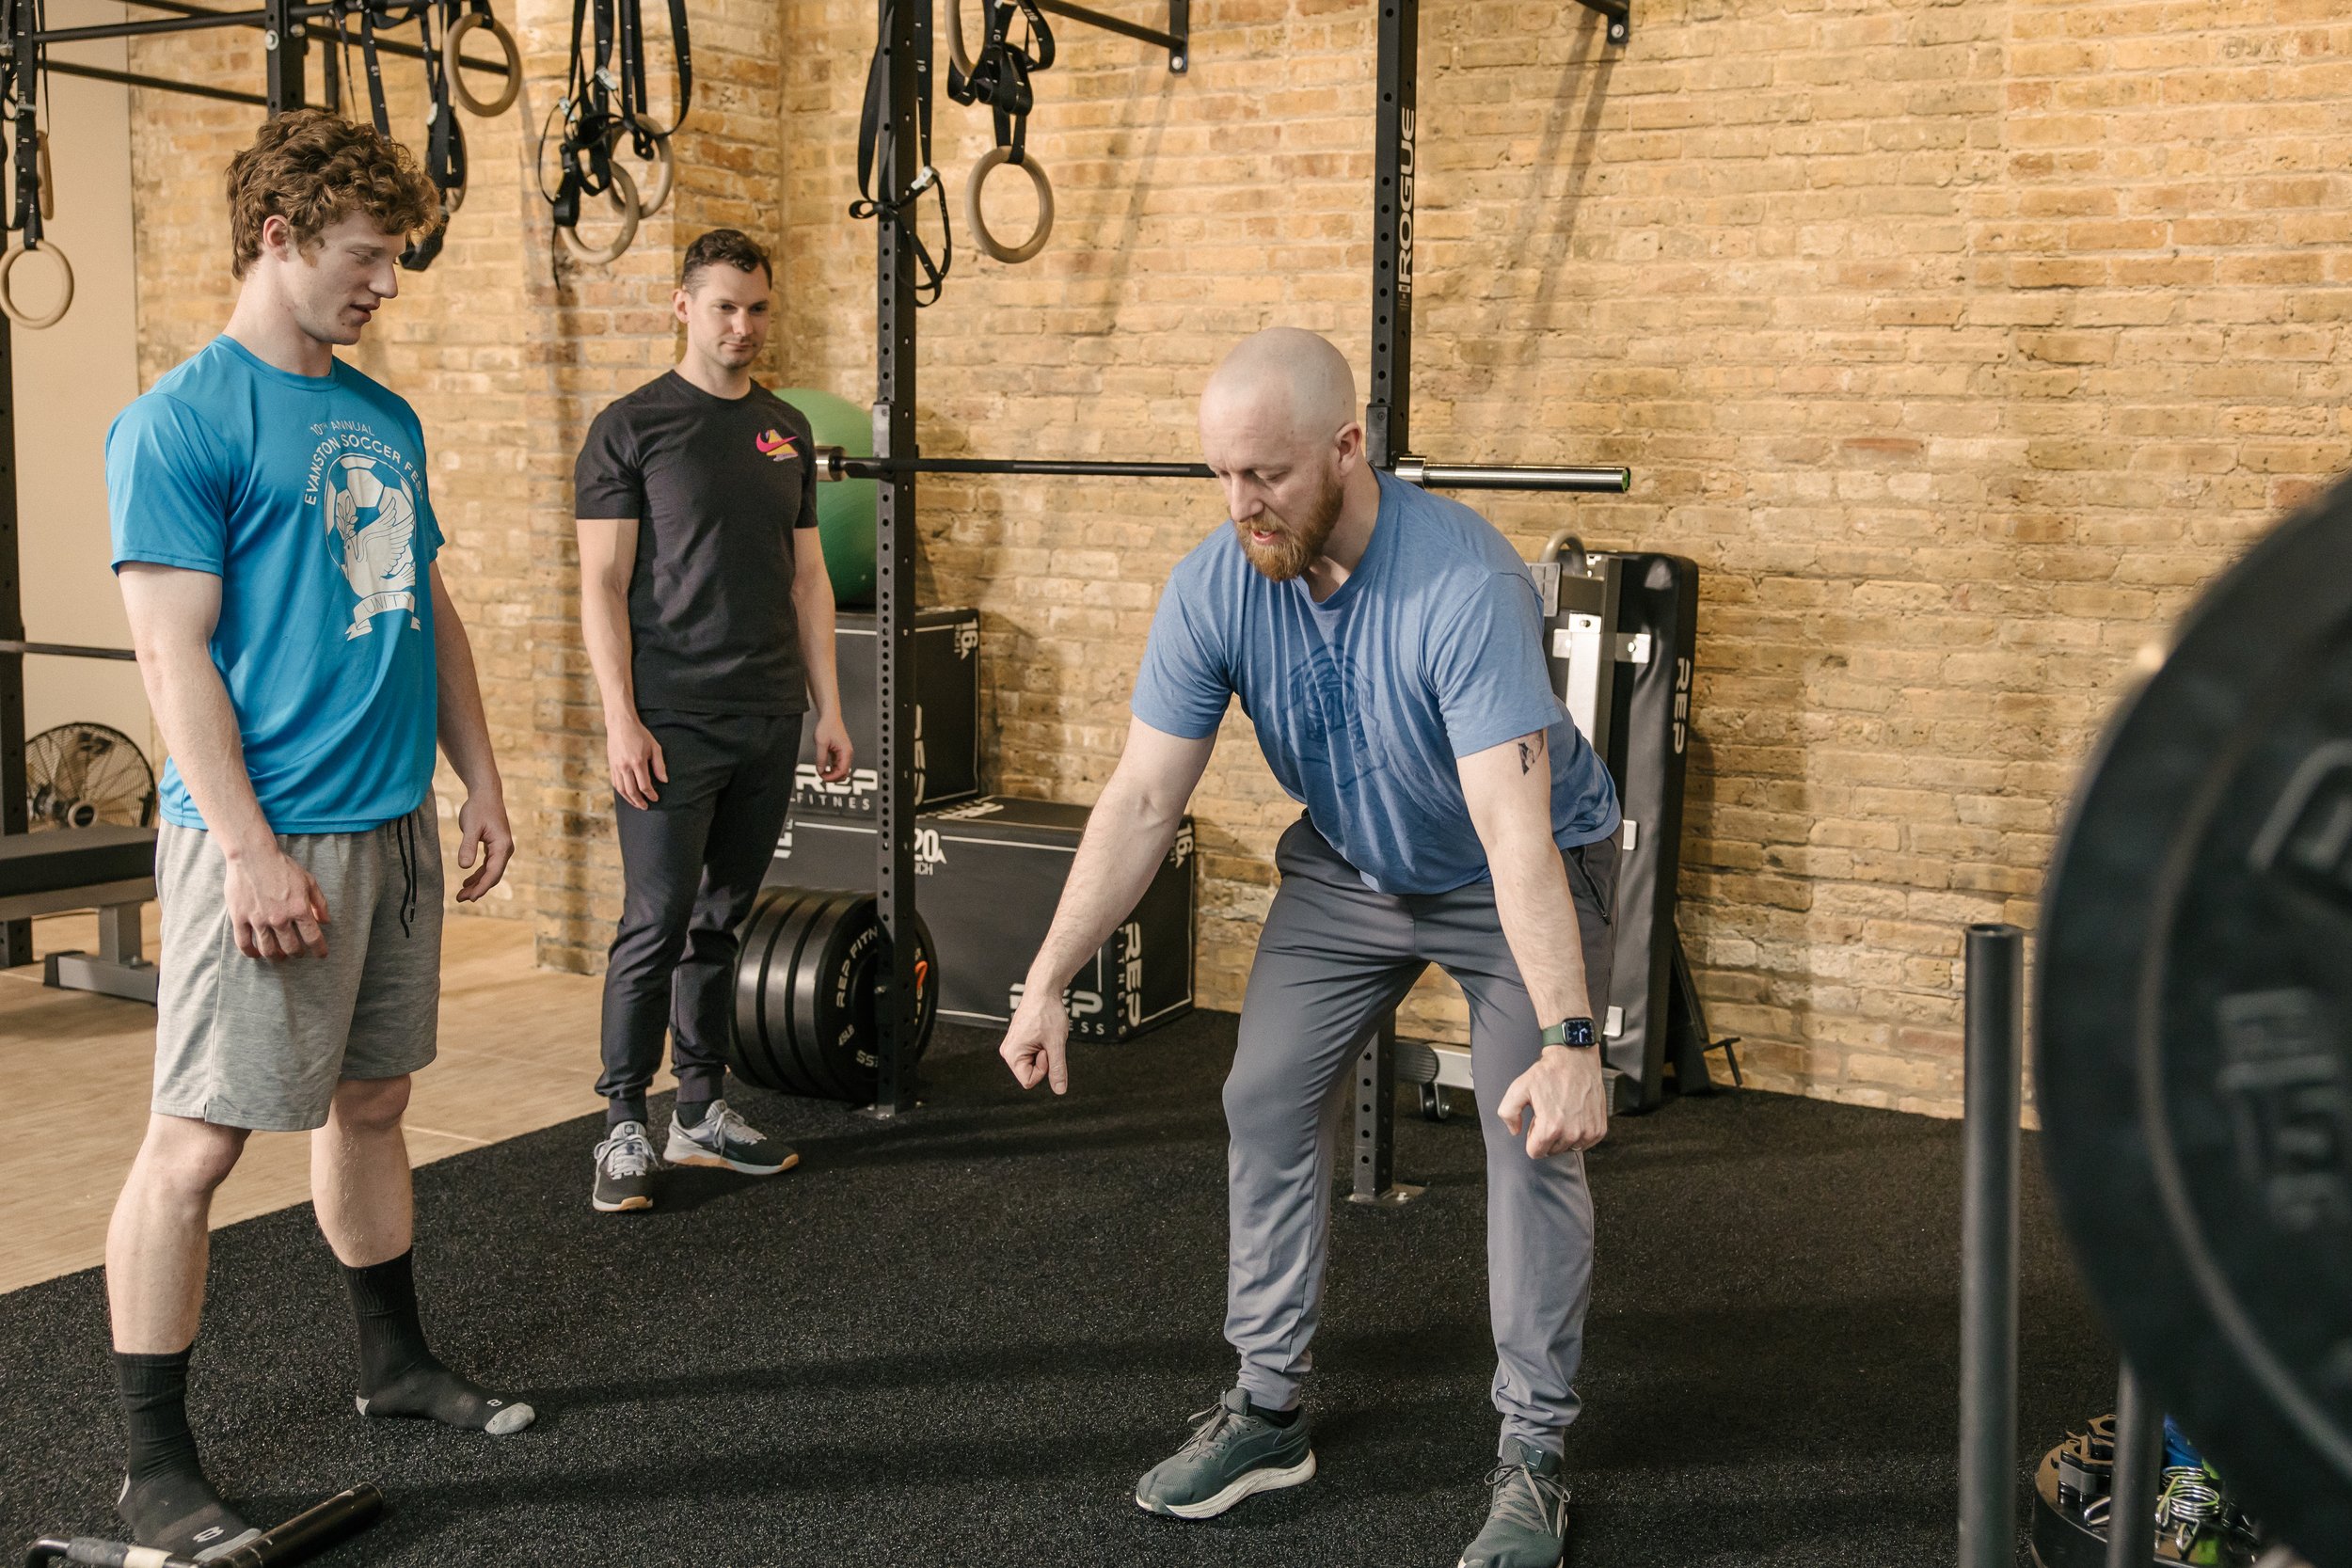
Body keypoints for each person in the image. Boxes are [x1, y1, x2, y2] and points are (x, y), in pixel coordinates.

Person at [999, 327, 1622, 1568]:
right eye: (1222, 475)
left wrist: (1569, 1039)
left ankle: (1534, 1453)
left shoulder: (1463, 584)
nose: (1243, 504)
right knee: (1265, 1088)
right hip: (1350, 863)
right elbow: (1138, 801)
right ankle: (1271, 1406)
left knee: (1531, 1133)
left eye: (1268, 474)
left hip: (1517, 873)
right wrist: (1046, 975)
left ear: (1350, 447)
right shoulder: (1218, 582)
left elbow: (1514, 832)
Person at [102, 109, 528, 1560]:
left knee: (374, 1105)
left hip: (394, 821)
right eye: (365, 256)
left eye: (395, 259)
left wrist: (479, 776)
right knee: (196, 1145)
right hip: (267, 835)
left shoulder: (383, 416)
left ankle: (394, 1362)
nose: (386, 285)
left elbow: (431, 607)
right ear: (277, 239)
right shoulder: (180, 419)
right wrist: (246, 846)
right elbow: (176, 659)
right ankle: (153, 1464)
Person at [574, 229, 852, 1212]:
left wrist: (827, 705)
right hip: (670, 722)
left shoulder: (783, 428)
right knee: (652, 921)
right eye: (725, 305)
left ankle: (698, 1112)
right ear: (683, 305)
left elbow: (810, 577)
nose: (743, 325)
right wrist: (620, 718)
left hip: (769, 710)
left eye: (758, 308)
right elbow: (601, 585)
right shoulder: (630, 426)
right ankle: (619, 1124)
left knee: (721, 919)